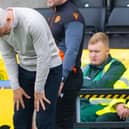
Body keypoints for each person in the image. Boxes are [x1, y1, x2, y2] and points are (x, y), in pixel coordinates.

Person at [0, 7, 62, 129]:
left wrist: (38, 90)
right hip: (25, 68)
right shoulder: (2, 28)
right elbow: (8, 57)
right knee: (20, 118)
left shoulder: (32, 22)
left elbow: (44, 57)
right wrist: (16, 87)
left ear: (8, 19)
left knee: (44, 120)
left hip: (50, 69)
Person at [47, 0, 85, 129]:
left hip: (67, 77)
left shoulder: (72, 16)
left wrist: (62, 78)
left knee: (62, 121)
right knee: (53, 120)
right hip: (54, 74)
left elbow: (72, 50)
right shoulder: (55, 12)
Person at [80, 32, 126, 128]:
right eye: (90, 51)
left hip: (104, 107)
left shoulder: (116, 66)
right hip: (82, 104)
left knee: (80, 116)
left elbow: (101, 86)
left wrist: (80, 83)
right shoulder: (85, 67)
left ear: (107, 51)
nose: (93, 55)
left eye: (97, 52)